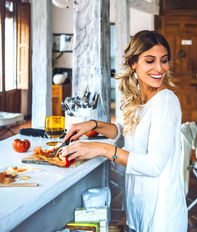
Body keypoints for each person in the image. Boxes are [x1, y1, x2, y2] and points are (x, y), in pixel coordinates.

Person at [61, 30, 188, 232]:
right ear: (133, 63)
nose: (159, 68)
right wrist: (93, 124)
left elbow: (153, 165)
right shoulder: (140, 95)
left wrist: (101, 149)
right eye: (150, 61)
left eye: (163, 60)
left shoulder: (166, 102)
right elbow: (128, 131)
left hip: (161, 215)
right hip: (140, 206)